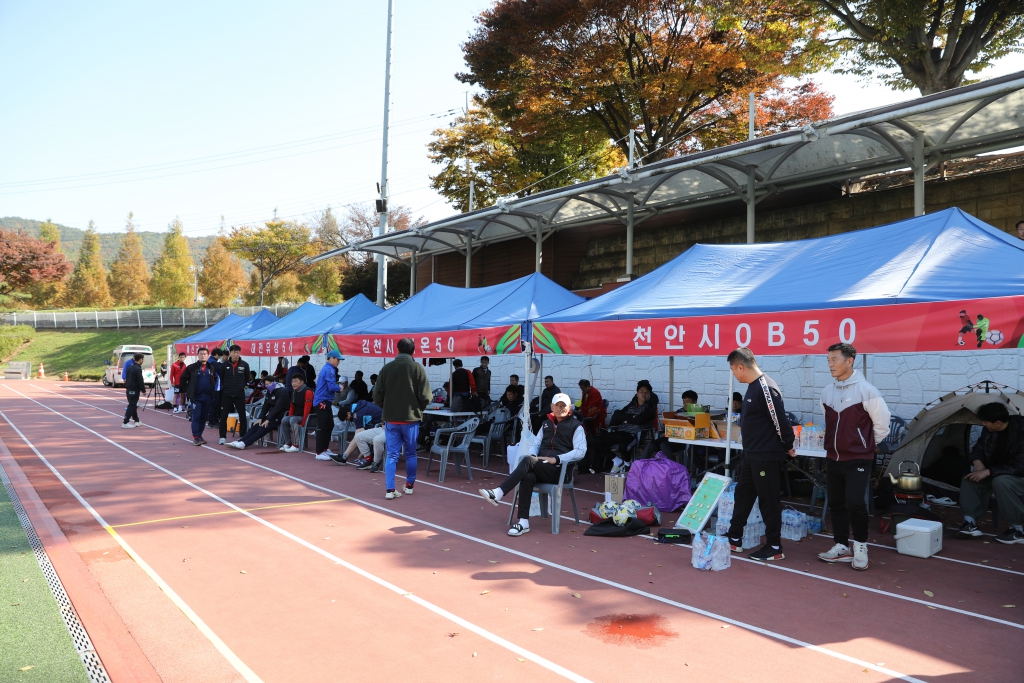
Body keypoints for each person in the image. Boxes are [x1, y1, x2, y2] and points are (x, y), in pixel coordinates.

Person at [816, 343, 891, 570]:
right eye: (828, 360)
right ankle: (840, 545)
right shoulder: (827, 391)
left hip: (858, 458)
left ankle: (860, 546)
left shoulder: (867, 390)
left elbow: (882, 424)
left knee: (856, 503)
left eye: (835, 359)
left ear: (850, 361)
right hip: (833, 457)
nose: (830, 364)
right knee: (836, 503)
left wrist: (866, 445)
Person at [479, 393, 585, 536]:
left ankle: (499, 492)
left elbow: (581, 451)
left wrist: (558, 459)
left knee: (528, 460)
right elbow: (535, 445)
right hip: (542, 467)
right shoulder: (546, 424)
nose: (560, 408)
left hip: (559, 471)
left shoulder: (576, 427)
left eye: (563, 406)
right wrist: (534, 457)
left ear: (569, 407)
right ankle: (523, 522)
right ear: (552, 407)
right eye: (557, 406)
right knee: (528, 474)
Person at [726, 347, 796, 562]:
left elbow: (780, 420)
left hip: (766, 455)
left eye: (733, 370)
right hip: (752, 454)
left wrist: (788, 444)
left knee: (768, 501)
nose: (734, 375)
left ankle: (774, 546)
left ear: (740, 366)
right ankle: (734, 537)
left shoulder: (765, 388)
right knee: (743, 495)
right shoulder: (752, 387)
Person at [957, 402, 1024, 544]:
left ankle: (1017, 530)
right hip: (997, 472)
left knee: (1001, 482)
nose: (983, 424)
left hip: (1018, 475)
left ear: (998, 423)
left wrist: (989, 471)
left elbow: (1020, 467)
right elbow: (978, 449)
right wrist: (977, 462)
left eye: (985, 421)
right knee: (970, 478)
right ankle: (969, 523)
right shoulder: (989, 430)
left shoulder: (1021, 434)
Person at [374, 338, 431, 500]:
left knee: (392, 455)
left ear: (397, 350)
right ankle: (409, 485)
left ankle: (390, 489)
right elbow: (426, 396)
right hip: (410, 418)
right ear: (413, 351)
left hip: (391, 419)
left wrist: (386, 407)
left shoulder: (387, 368)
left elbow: (377, 394)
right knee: (411, 454)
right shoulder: (417, 368)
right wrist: (419, 408)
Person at [588, 380, 658, 474]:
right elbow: (618, 415)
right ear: (637, 394)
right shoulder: (631, 405)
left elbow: (639, 420)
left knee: (623, 446)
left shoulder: (650, 407)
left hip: (633, 434)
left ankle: (627, 465)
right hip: (620, 432)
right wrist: (631, 417)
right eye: (641, 392)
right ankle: (616, 460)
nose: (644, 394)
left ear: (649, 395)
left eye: (646, 392)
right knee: (594, 440)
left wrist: (627, 419)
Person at [227, 380, 289, 450]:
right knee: (256, 426)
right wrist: (261, 418)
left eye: (269, 384)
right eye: (266, 384)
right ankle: (240, 441)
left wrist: (268, 419)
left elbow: (278, 408)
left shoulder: (282, 392)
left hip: (280, 416)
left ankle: (245, 443)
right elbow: (265, 407)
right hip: (271, 416)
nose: (267, 386)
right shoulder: (269, 392)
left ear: (273, 383)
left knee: (262, 427)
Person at [216, 345, 251, 445]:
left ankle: (242, 436)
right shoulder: (224, 365)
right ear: (230, 353)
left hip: (239, 394)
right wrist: (228, 387)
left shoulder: (244, 365)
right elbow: (222, 378)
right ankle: (222, 437)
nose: (236, 354)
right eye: (234, 352)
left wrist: (241, 387)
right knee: (223, 416)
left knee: (242, 416)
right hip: (227, 394)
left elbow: (247, 378)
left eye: (238, 352)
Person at [313, 351, 343, 461]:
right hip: (322, 401)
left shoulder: (328, 368)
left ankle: (324, 449)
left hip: (325, 400)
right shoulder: (329, 369)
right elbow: (331, 386)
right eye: (338, 359)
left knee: (329, 424)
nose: (339, 362)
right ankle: (319, 452)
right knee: (323, 426)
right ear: (331, 358)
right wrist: (339, 388)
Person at [185, 348, 217, 446]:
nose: (203, 356)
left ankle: (199, 435)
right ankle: (195, 436)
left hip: (207, 397)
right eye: (201, 354)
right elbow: (183, 379)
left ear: (208, 355)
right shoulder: (191, 368)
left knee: (203, 418)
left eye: (205, 354)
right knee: (196, 417)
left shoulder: (211, 368)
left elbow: (214, 380)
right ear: (197, 355)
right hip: (196, 397)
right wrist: (189, 390)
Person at [342, 399, 385, 466]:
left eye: (346, 419)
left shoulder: (357, 414)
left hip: (381, 425)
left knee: (358, 432)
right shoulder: (358, 406)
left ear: (348, 413)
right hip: (380, 422)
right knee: (359, 432)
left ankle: (345, 456)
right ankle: (345, 456)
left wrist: (363, 452)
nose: (347, 420)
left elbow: (361, 432)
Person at [279, 374, 313, 453]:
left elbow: (307, 409)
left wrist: (303, 423)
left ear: (302, 382)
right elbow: (292, 406)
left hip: (310, 418)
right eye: (292, 382)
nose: (293, 383)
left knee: (293, 419)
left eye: (296, 381)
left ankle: (297, 445)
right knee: (284, 419)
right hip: (298, 416)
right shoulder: (293, 392)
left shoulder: (307, 392)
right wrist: (289, 418)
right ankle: (288, 443)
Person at [122, 352, 145, 429]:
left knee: (133, 405)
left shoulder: (130, 367)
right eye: (143, 359)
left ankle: (136, 420)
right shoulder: (138, 369)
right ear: (140, 359)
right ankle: (125, 422)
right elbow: (140, 380)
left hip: (129, 389)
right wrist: (143, 390)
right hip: (134, 389)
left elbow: (127, 378)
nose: (143, 361)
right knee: (132, 405)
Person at [207, 348, 223, 429]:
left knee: (213, 405)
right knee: (215, 405)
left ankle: (212, 421)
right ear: (216, 355)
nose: (219, 357)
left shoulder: (209, 361)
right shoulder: (214, 363)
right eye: (219, 356)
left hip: (211, 386)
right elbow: (222, 371)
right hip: (215, 387)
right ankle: (213, 421)